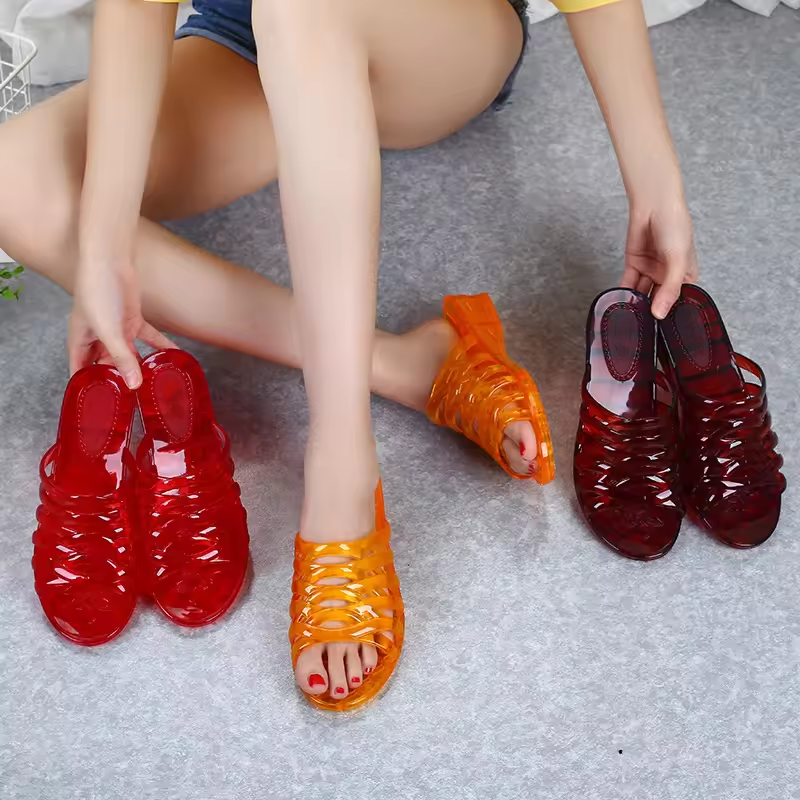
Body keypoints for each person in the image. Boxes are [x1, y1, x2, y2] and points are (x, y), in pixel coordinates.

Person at [0, 0, 698, 707]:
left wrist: (655, 182)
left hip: (432, 36)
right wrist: (105, 240)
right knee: (16, 180)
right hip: (246, 40)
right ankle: (403, 365)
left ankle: (343, 478)